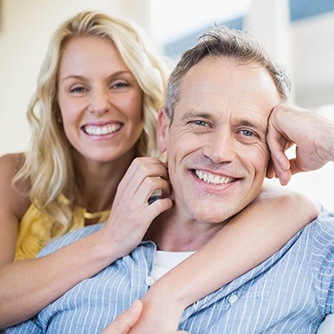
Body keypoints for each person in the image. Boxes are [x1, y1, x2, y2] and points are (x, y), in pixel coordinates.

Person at [0, 11, 316, 330]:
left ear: (148, 101)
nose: (99, 104)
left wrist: (166, 297)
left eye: (119, 84)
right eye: (77, 88)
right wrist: (110, 240)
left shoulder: (188, 180)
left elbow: (291, 206)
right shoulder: (15, 178)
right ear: (56, 104)